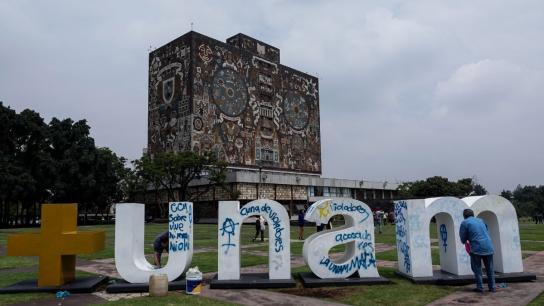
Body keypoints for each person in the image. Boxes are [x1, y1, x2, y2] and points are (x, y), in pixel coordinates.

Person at [459, 209, 496, 293]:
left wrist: (466, 240)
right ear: (473, 214)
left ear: (464, 216)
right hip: (489, 246)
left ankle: (480, 287)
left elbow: (463, 238)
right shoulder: (481, 220)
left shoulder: (465, 223)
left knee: (477, 268)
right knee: (490, 269)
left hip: (477, 248)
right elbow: (485, 230)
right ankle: (492, 287)